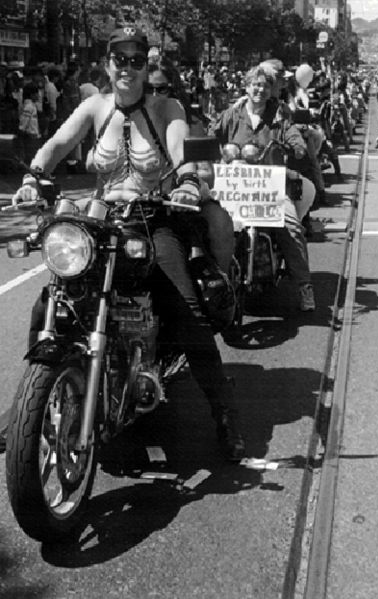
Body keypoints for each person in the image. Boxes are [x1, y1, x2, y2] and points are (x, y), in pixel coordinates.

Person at [5, 27, 246, 461]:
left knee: (188, 311)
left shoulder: (164, 107)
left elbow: (181, 151)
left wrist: (189, 180)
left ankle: (224, 415)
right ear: (108, 63)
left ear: (146, 64)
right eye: (121, 58)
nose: (128, 68)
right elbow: (58, 142)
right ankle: (28, 405)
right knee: (52, 299)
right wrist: (33, 176)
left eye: (138, 60)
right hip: (101, 218)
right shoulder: (96, 106)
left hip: (152, 219)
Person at [209, 65, 316, 312]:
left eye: (265, 85)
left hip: (271, 190)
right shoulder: (232, 114)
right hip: (235, 190)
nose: (260, 89)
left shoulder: (279, 115)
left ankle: (304, 286)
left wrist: (296, 147)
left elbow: (293, 138)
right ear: (246, 87)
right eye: (255, 84)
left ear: (272, 90)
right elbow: (211, 134)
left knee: (291, 225)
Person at [147, 59, 235, 274]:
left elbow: (205, 170)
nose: (155, 95)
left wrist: (187, 188)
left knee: (220, 222)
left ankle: (221, 283)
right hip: (139, 204)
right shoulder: (126, 121)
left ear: (173, 89)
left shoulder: (190, 122)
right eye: (148, 89)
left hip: (183, 201)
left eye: (161, 89)